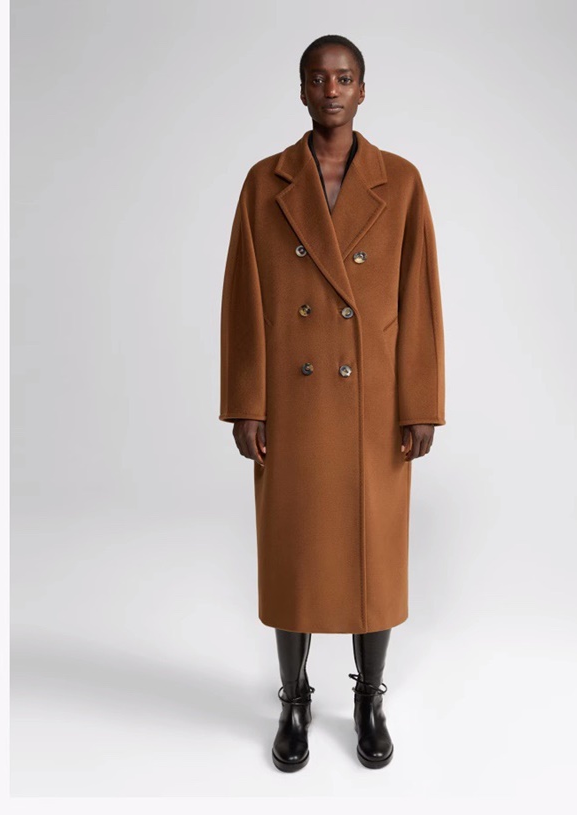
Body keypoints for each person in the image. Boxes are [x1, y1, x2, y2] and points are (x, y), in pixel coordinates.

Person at [219, 34, 446, 771]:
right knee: (293, 551)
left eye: (344, 78)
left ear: (363, 89)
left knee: (373, 553)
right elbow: (244, 299)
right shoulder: (265, 182)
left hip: (373, 404)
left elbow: (420, 298)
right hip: (293, 401)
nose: (332, 91)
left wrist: (420, 403)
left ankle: (369, 698)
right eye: (319, 79)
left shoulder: (400, 181)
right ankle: (294, 698)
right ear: (302, 90)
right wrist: (246, 401)